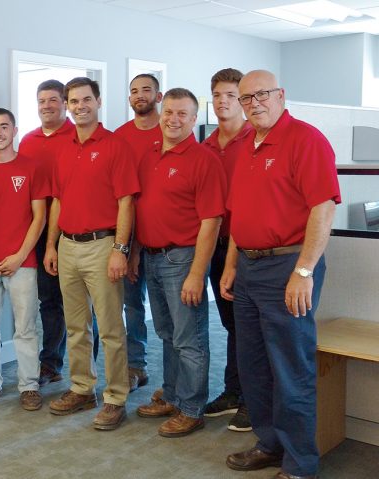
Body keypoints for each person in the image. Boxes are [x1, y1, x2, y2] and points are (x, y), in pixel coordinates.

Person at [222, 70, 340, 479]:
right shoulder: (245, 149)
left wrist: (304, 271)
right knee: (253, 366)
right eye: (247, 98)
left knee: (291, 368)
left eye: (262, 95)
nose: (254, 103)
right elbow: (240, 213)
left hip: (288, 267)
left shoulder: (306, 140)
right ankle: (269, 443)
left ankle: (300, 464)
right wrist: (231, 265)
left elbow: (323, 208)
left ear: (281, 95)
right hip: (250, 268)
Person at [45, 77, 137, 431]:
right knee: (75, 326)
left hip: (103, 245)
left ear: (98, 102)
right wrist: (52, 244)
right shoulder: (63, 146)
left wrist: (120, 249)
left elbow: (126, 201)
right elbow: (58, 200)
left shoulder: (115, 146)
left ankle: (115, 397)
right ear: (67, 105)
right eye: (73, 100)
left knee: (111, 327)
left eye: (86, 99)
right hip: (68, 246)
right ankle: (82, 388)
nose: (79, 106)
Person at [133, 87, 225, 438]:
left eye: (182, 114)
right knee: (167, 334)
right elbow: (144, 208)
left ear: (194, 118)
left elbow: (211, 221)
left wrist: (196, 273)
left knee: (190, 338)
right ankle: (172, 395)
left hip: (182, 260)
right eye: (169, 112)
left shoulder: (204, 161)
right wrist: (137, 253)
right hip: (153, 258)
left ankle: (192, 408)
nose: (173, 119)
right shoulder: (150, 154)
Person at [0, 108, 47, 411]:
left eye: (4, 127)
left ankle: (29, 385)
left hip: (22, 263)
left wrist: (20, 255)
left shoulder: (31, 167)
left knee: (25, 327)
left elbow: (39, 217)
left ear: (14, 131)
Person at [201, 68, 253, 432]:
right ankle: (234, 391)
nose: (223, 101)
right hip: (216, 248)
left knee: (249, 328)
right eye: (217, 95)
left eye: (231, 95)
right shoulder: (205, 146)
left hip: (248, 251)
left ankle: (253, 400)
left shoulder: (255, 140)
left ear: (243, 100)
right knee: (230, 324)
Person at [18, 79, 74, 386]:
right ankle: (51, 362)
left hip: (71, 231)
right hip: (37, 232)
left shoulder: (75, 137)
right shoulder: (27, 140)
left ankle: (84, 368)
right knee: (48, 301)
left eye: (53, 100)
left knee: (76, 302)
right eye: (42, 101)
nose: (47, 106)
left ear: (64, 103)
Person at [114, 73, 163, 393]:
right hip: (127, 232)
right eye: (134, 91)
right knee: (131, 303)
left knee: (169, 314)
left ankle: (179, 381)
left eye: (147, 90)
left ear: (158, 97)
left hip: (164, 235)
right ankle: (135, 366)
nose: (140, 95)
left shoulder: (170, 130)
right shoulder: (119, 136)